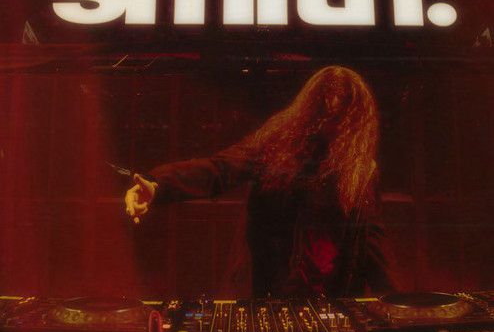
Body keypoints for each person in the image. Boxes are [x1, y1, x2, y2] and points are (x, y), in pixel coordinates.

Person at [125, 66, 398, 297]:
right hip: (276, 294)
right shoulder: (279, 147)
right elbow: (220, 169)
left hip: (334, 300)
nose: (331, 126)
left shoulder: (361, 172)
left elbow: (372, 245)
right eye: (326, 116)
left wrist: (398, 310)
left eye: (338, 119)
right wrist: (157, 185)